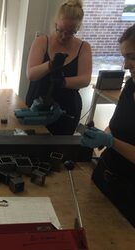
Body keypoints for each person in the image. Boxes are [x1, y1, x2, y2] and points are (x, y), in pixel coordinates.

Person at [81, 23, 135, 227]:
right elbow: (115, 126)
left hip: (130, 193)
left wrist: (110, 141)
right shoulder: (130, 86)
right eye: (124, 57)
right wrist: (101, 136)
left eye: (132, 57)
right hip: (105, 176)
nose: (126, 65)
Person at [25, 0, 92, 135]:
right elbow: (31, 74)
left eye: (69, 33)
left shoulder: (84, 47)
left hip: (67, 109)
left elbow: (85, 79)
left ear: (77, 29)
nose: (63, 36)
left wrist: (63, 82)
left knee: (59, 151)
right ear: (56, 23)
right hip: (36, 108)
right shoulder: (42, 41)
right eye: (60, 30)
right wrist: (50, 65)